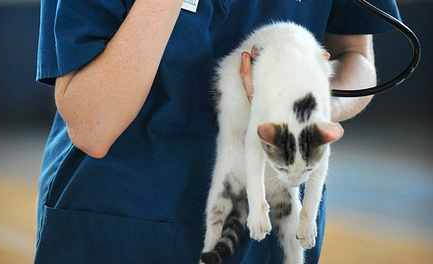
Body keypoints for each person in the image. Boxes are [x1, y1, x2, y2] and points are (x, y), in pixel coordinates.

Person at [34, 0, 400, 263]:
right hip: (125, 215)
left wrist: (306, 117)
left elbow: (356, 54)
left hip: (266, 231)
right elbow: (92, 125)